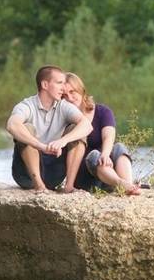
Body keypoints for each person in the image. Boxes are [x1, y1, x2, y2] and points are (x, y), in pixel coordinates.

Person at [6, 65, 93, 193]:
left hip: (54, 175)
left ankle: (68, 186)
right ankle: (39, 186)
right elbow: (12, 125)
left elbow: (87, 125)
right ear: (45, 85)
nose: (63, 88)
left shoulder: (63, 106)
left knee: (76, 129)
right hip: (26, 176)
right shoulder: (27, 105)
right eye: (59, 83)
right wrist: (41, 146)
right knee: (27, 128)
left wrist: (63, 140)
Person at [63, 72, 141, 195]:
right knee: (95, 155)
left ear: (81, 90)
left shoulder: (102, 111)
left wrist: (105, 154)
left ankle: (127, 185)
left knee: (119, 147)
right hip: (86, 177)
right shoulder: (65, 119)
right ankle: (122, 184)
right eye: (64, 95)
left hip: (108, 172)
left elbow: (108, 136)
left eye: (72, 92)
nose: (69, 98)